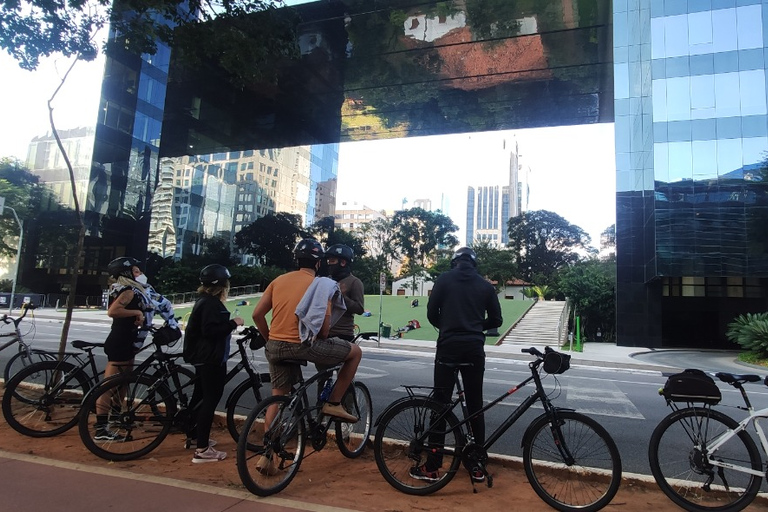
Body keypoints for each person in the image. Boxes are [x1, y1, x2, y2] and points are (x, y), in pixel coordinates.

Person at [252, 239, 363, 473]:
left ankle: (267, 456)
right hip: (302, 345)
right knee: (355, 353)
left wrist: (270, 337)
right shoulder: (321, 285)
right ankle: (334, 403)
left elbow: (257, 315)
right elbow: (323, 330)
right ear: (319, 262)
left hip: (275, 346)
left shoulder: (279, 280)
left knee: (278, 396)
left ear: (296, 260)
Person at [413, 247, 503, 483]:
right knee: (475, 405)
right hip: (474, 348)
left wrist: (448, 326)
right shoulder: (485, 286)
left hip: (448, 346)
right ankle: (476, 465)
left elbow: (432, 312)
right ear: (474, 264)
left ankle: (433, 467)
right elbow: (496, 320)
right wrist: (474, 327)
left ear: (455, 262)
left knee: (439, 405)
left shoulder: (444, 279)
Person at [94, 256, 178, 441]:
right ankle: (100, 428)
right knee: (108, 386)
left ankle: (116, 417)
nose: (140, 274)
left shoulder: (132, 290)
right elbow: (113, 311)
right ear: (126, 274)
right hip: (120, 341)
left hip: (127, 341)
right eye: (136, 271)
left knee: (122, 383)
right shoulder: (128, 291)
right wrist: (137, 312)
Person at [182, 264, 244, 463]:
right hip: (210, 358)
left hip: (202, 356)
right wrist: (233, 323)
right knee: (210, 399)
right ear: (222, 285)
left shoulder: (204, 300)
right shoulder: (210, 304)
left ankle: (194, 435)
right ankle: (202, 450)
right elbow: (210, 330)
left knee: (200, 398)